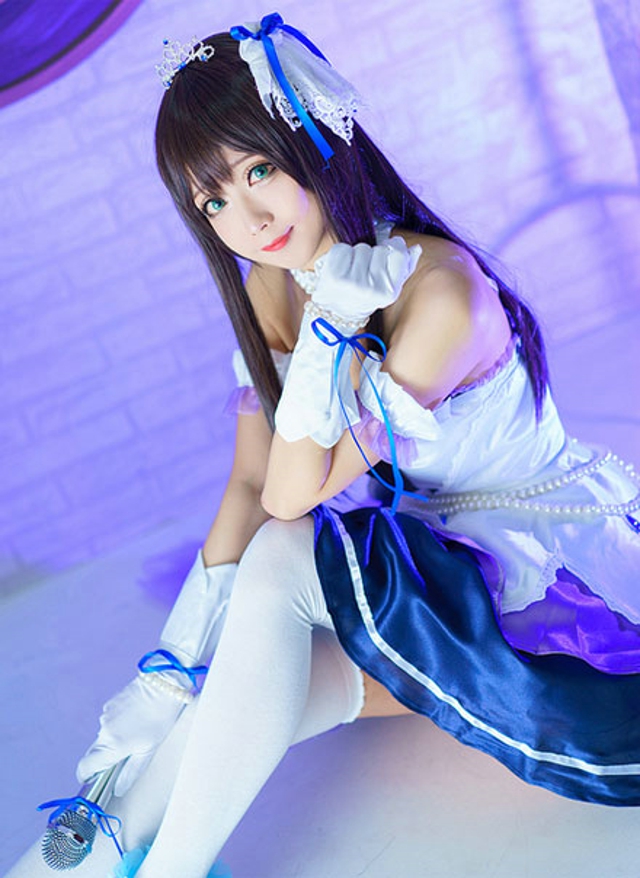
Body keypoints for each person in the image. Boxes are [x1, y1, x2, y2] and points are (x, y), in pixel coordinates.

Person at [7, 12, 640, 878]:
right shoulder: (276, 282)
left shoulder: (439, 294)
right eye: (212, 201)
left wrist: (332, 327)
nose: (247, 218)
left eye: (258, 169)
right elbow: (247, 482)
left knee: (278, 569)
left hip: (534, 570)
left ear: (315, 136)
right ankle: (77, 857)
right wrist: (167, 667)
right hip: (433, 557)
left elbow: (288, 495)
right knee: (233, 693)